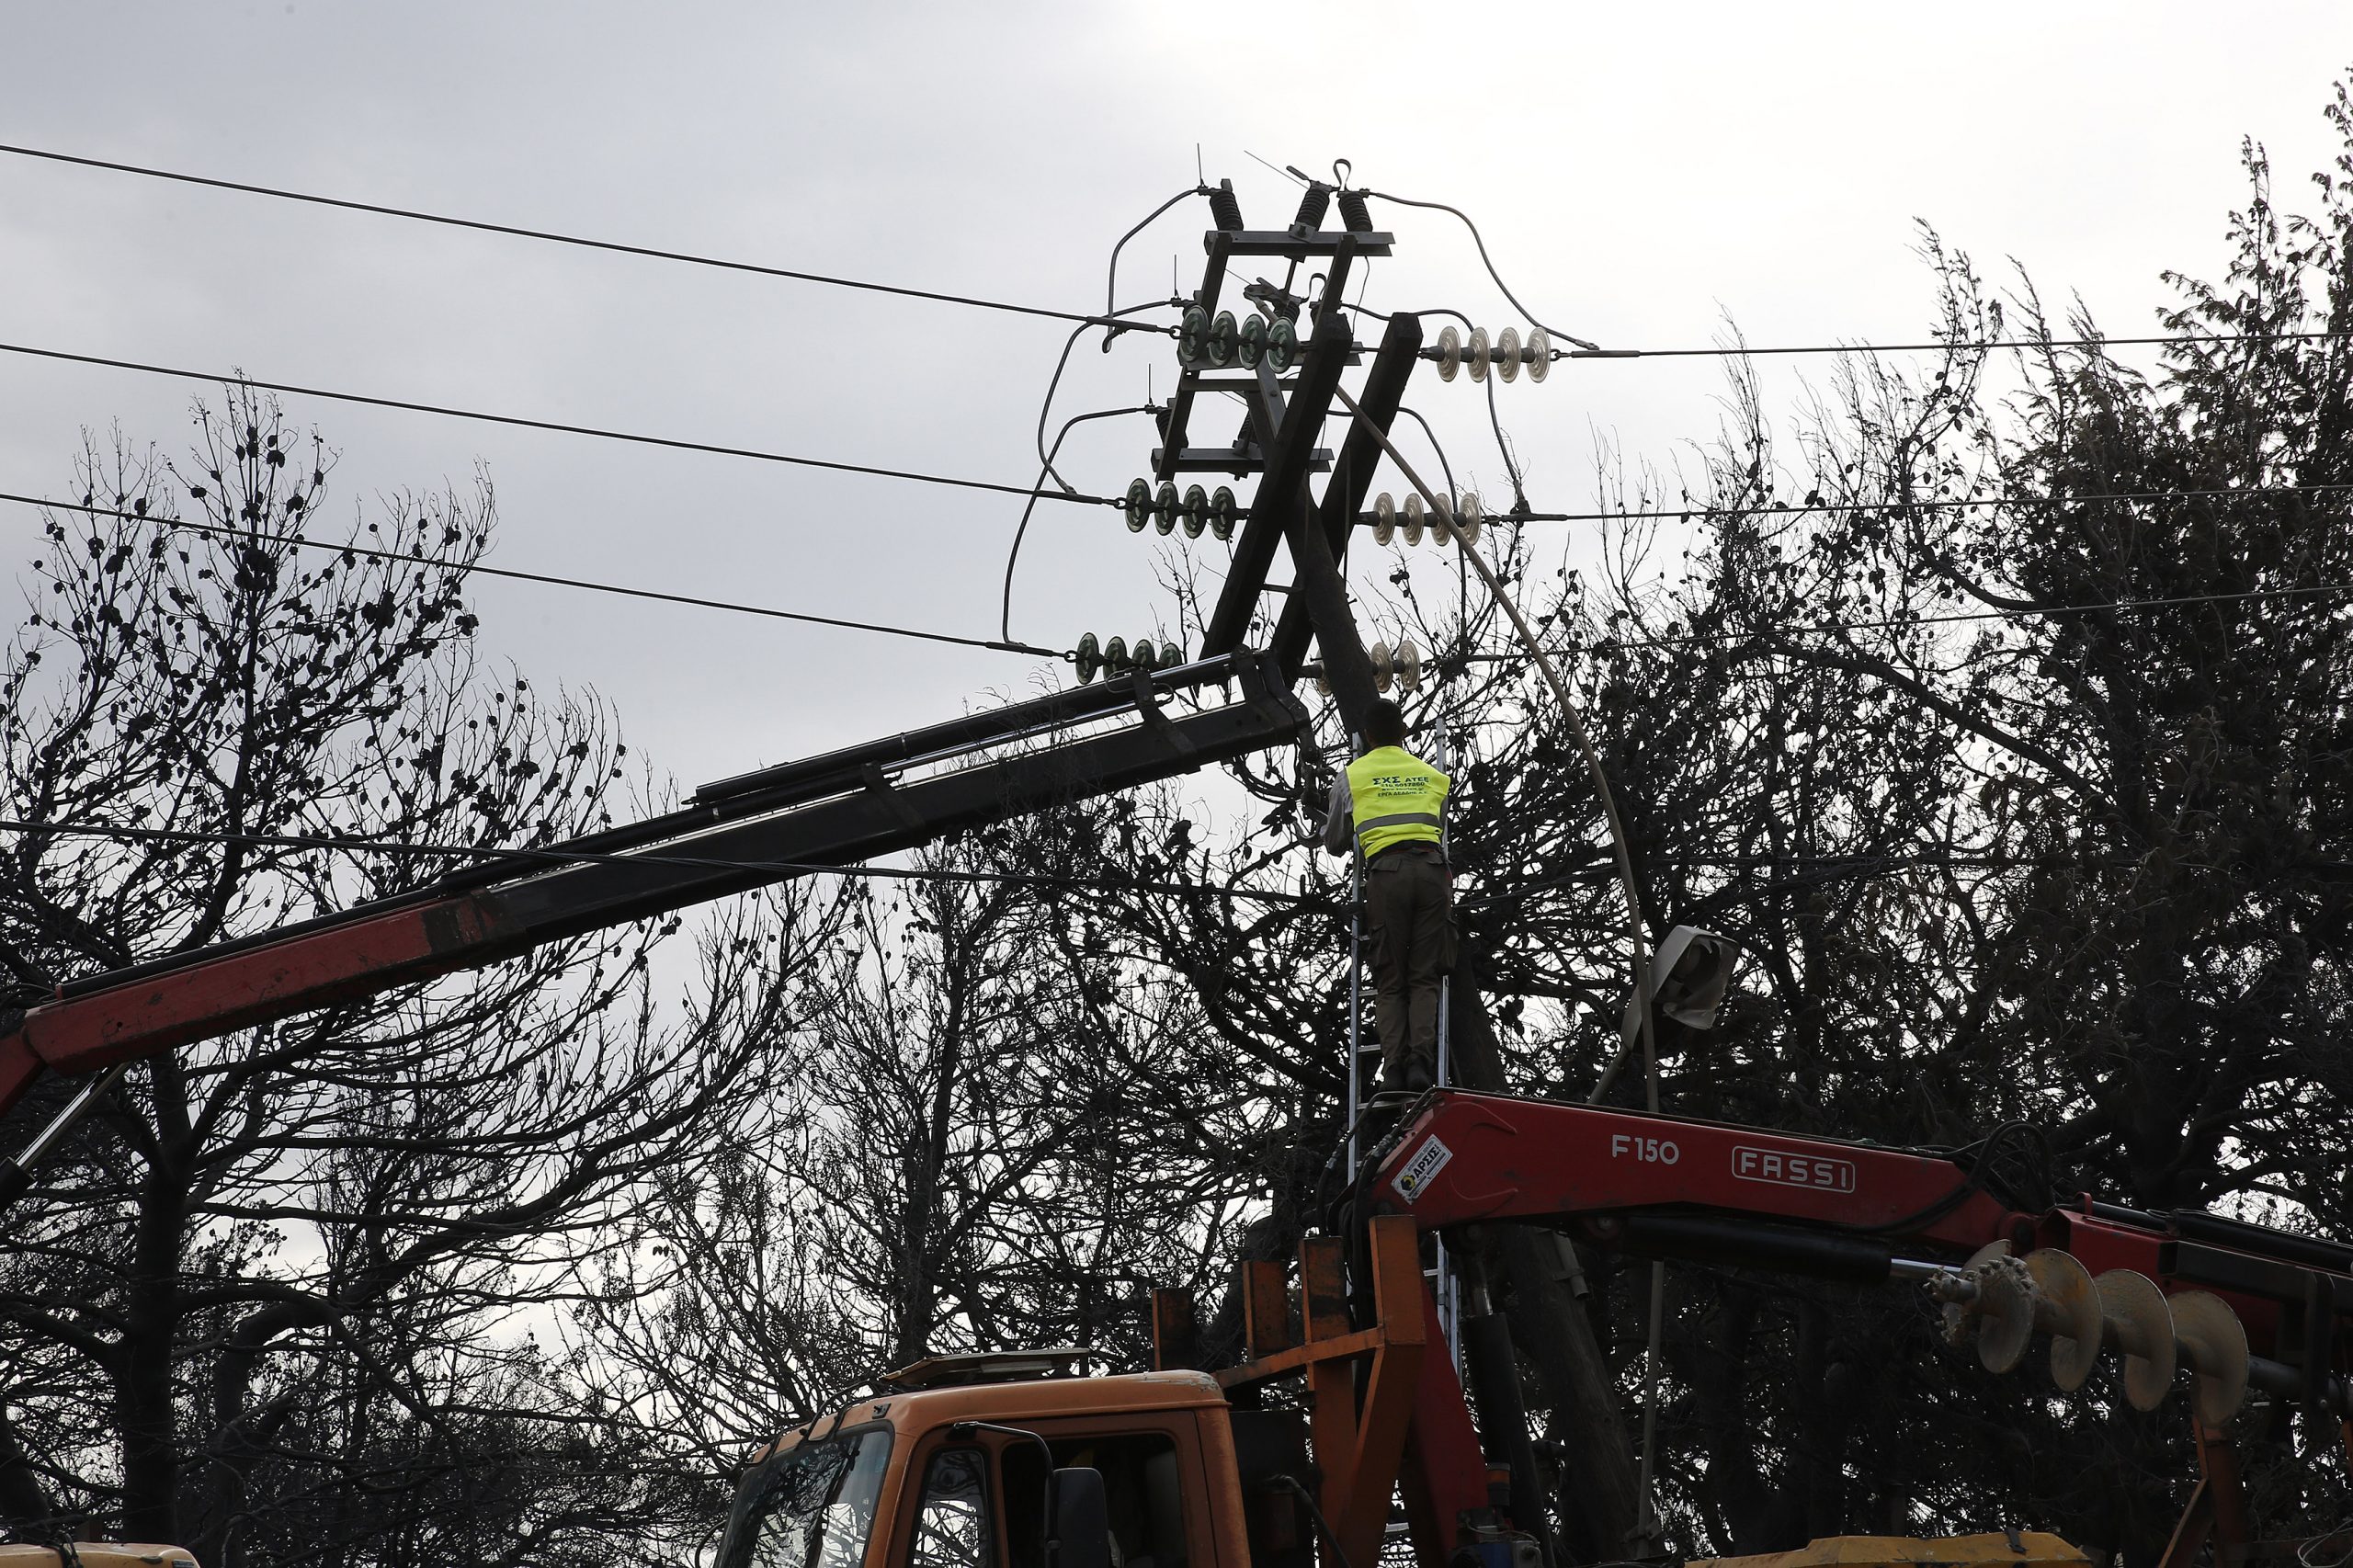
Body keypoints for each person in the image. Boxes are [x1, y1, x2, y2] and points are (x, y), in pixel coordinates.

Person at [1321, 698, 1451, 1095]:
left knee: (1390, 978)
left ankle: (1394, 1070)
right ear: (1404, 734)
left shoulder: (1353, 776)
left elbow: (1335, 842)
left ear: (1367, 736)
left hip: (1386, 873)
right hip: (1433, 872)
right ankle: (1421, 1065)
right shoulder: (1432, 776)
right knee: (1425, 975)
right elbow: (1439, 828)